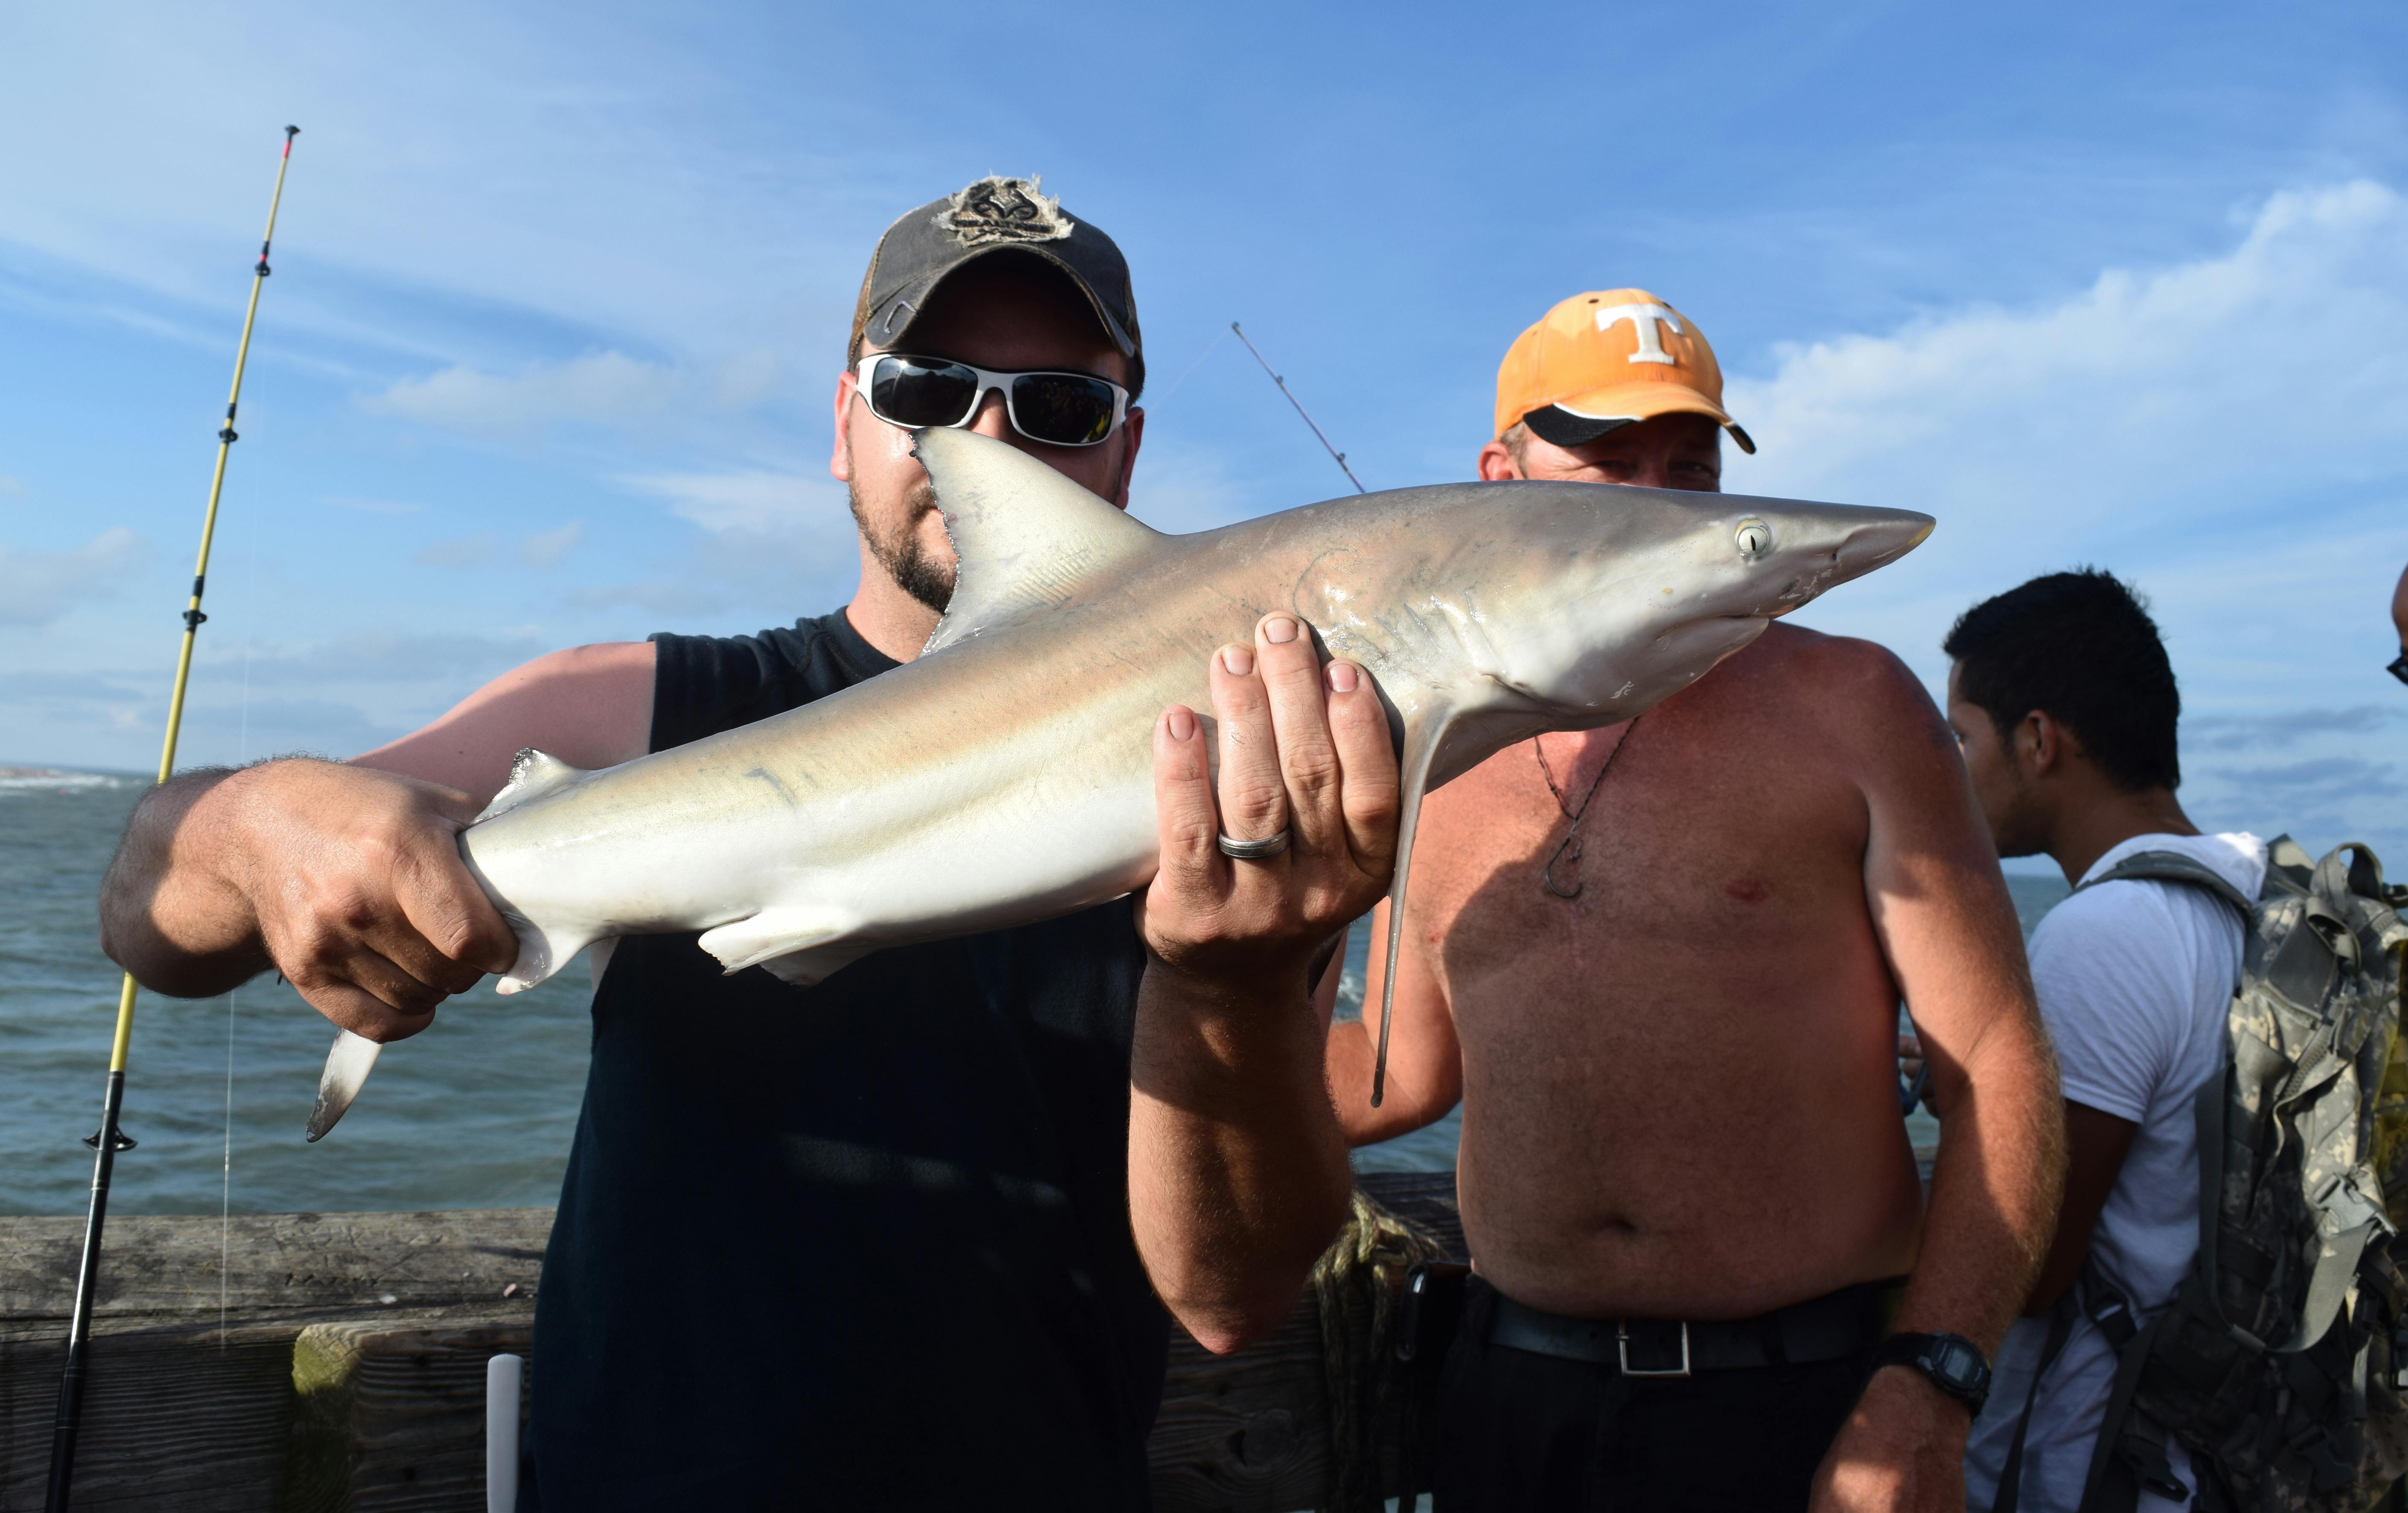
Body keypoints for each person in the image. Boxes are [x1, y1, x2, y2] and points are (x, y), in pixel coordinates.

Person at [100, 176, 1394, 1510]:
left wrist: (1229, 986)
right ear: (847, 422)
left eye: (1057, 407)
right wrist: (257, 822)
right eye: (926, 392)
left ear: (1122, 454)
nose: (987, 440)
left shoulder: (1254, 767)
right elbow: (149, 908)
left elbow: (1232, 1301)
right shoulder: (644, 713)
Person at [1319, 289, 2065, 1512]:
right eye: (1611, 463)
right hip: (1505, 1395)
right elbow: (1397, 1077)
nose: (1658, 502)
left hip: (1801, 1404)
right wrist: (1180, 1027)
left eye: (1691, 465)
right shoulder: (1426, 751)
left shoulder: (1858, 708)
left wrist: (1931, 1385)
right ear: (1499, 479)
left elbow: (1997, 1057)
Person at [1938, 570, 2265, 1513]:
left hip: (2112, 1465)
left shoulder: (2106, 932)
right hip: (2233, 1445)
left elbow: (2029, 1264)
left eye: (1962, 735)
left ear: (2040, 741)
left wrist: (1969, 1081)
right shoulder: (2253, 893)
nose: (1950, 765)